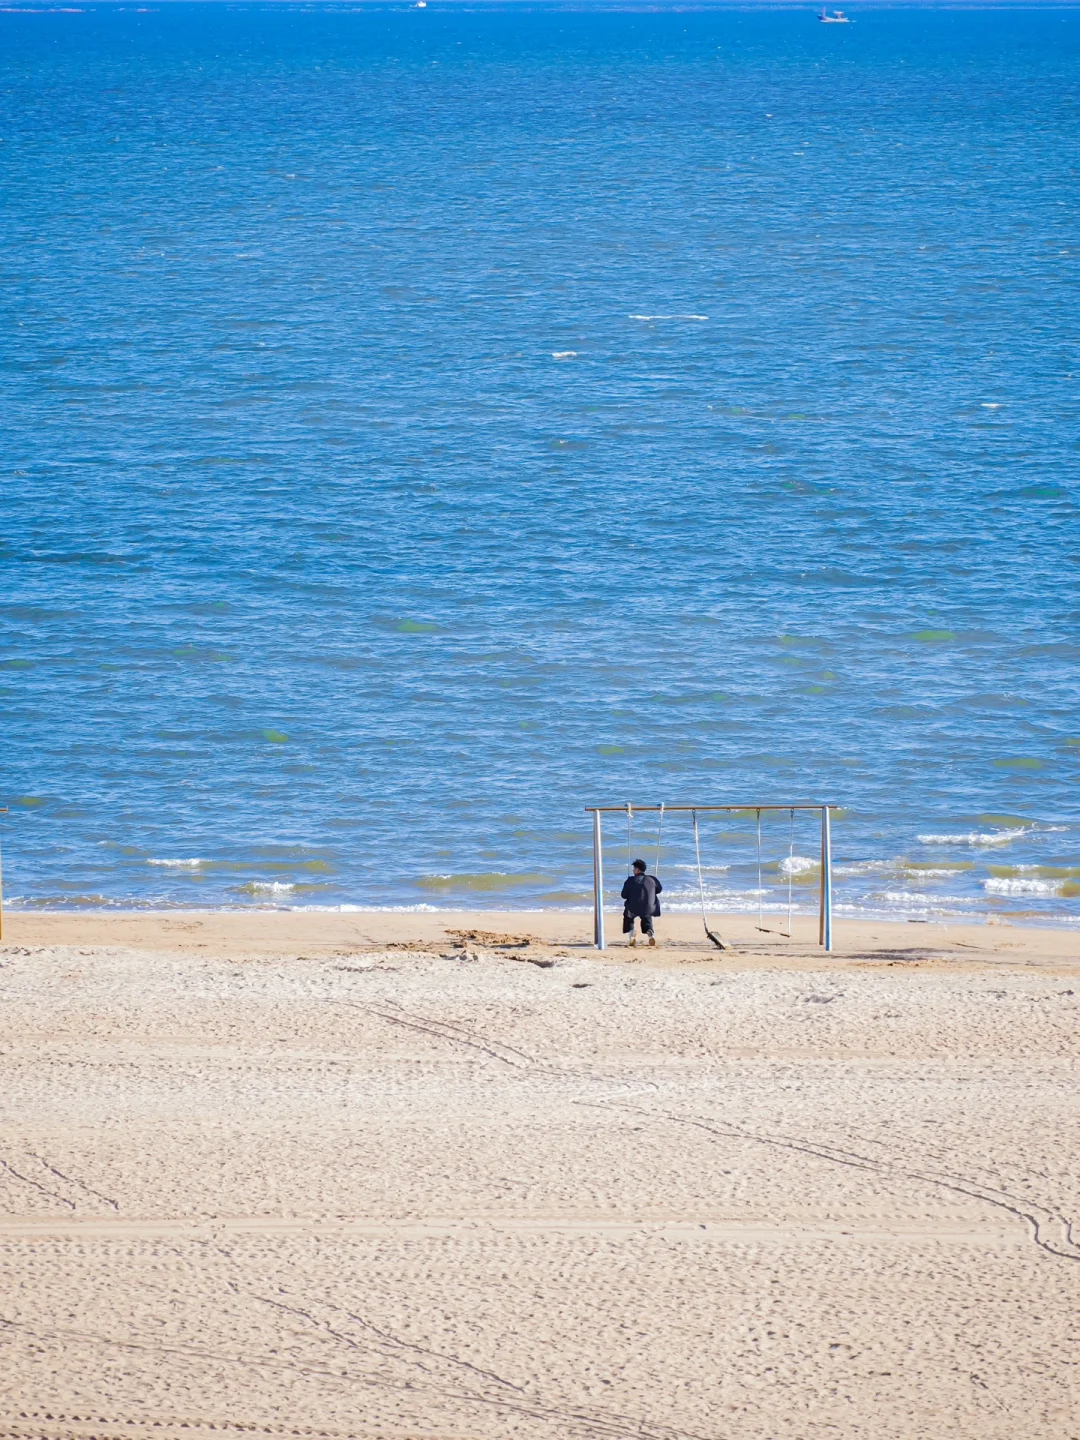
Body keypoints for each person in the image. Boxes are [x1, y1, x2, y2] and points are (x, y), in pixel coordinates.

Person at [621, 859, 662, 947]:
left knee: (628, 916)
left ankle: (631, 933)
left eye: (634, 868)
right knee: (646, 916)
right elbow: (659, 890)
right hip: (649, 907)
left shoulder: (630, 880)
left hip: (633, 907)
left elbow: (623, 895)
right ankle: (650, 932)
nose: (633, 870)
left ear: (637, 870)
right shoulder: (652, 879)